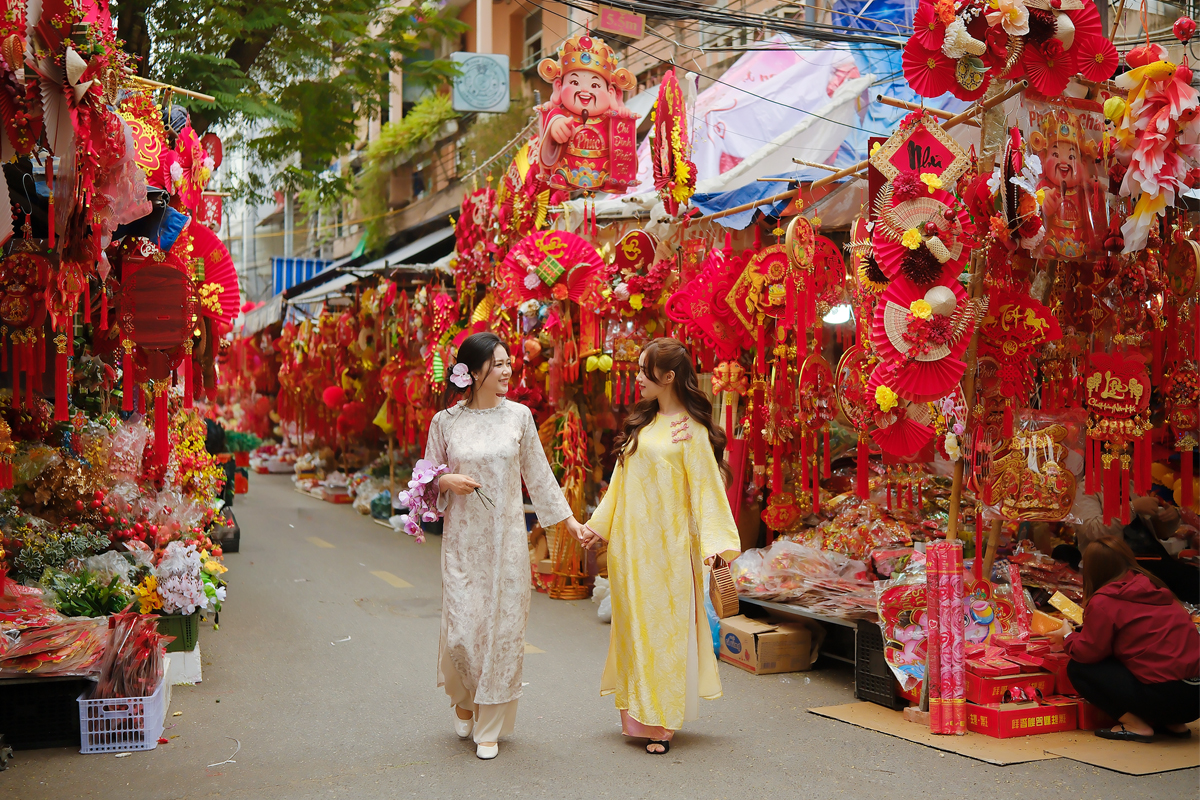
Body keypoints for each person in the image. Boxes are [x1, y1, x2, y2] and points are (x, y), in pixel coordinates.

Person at [425, 332, 586, 760]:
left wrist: (569, 523)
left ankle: (491, 724)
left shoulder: (519, 416)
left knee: (501, 631)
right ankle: (462, 699)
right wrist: (445, 481)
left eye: (508, 362)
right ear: (473, 372)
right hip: (462, 544)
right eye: (497, 364)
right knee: (461, 631)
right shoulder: (446, 421)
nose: (507, 370)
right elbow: (424, 481)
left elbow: (539, 476)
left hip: (506, 543)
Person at [580, 338, 741, 754]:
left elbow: (707, 490)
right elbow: (620, 483)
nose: (636, 378)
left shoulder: (691, 430)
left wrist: (717, 545)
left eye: (643, 371)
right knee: (634, 631)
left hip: (668, 551)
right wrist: (598, 527)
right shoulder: (643, 425)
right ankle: (638, 714)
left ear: (668, 377)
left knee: (664, 634)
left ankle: (662, 720)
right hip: (630, 550)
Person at [1051, 536, 1200, 743]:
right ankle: (1173, 724)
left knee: (1079, 668)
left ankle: (1136, 726)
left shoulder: (1104, 600)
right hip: (1195, 698)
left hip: (1165, 698)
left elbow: (1088, 652)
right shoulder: (1155, 587)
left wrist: (1067, 637)